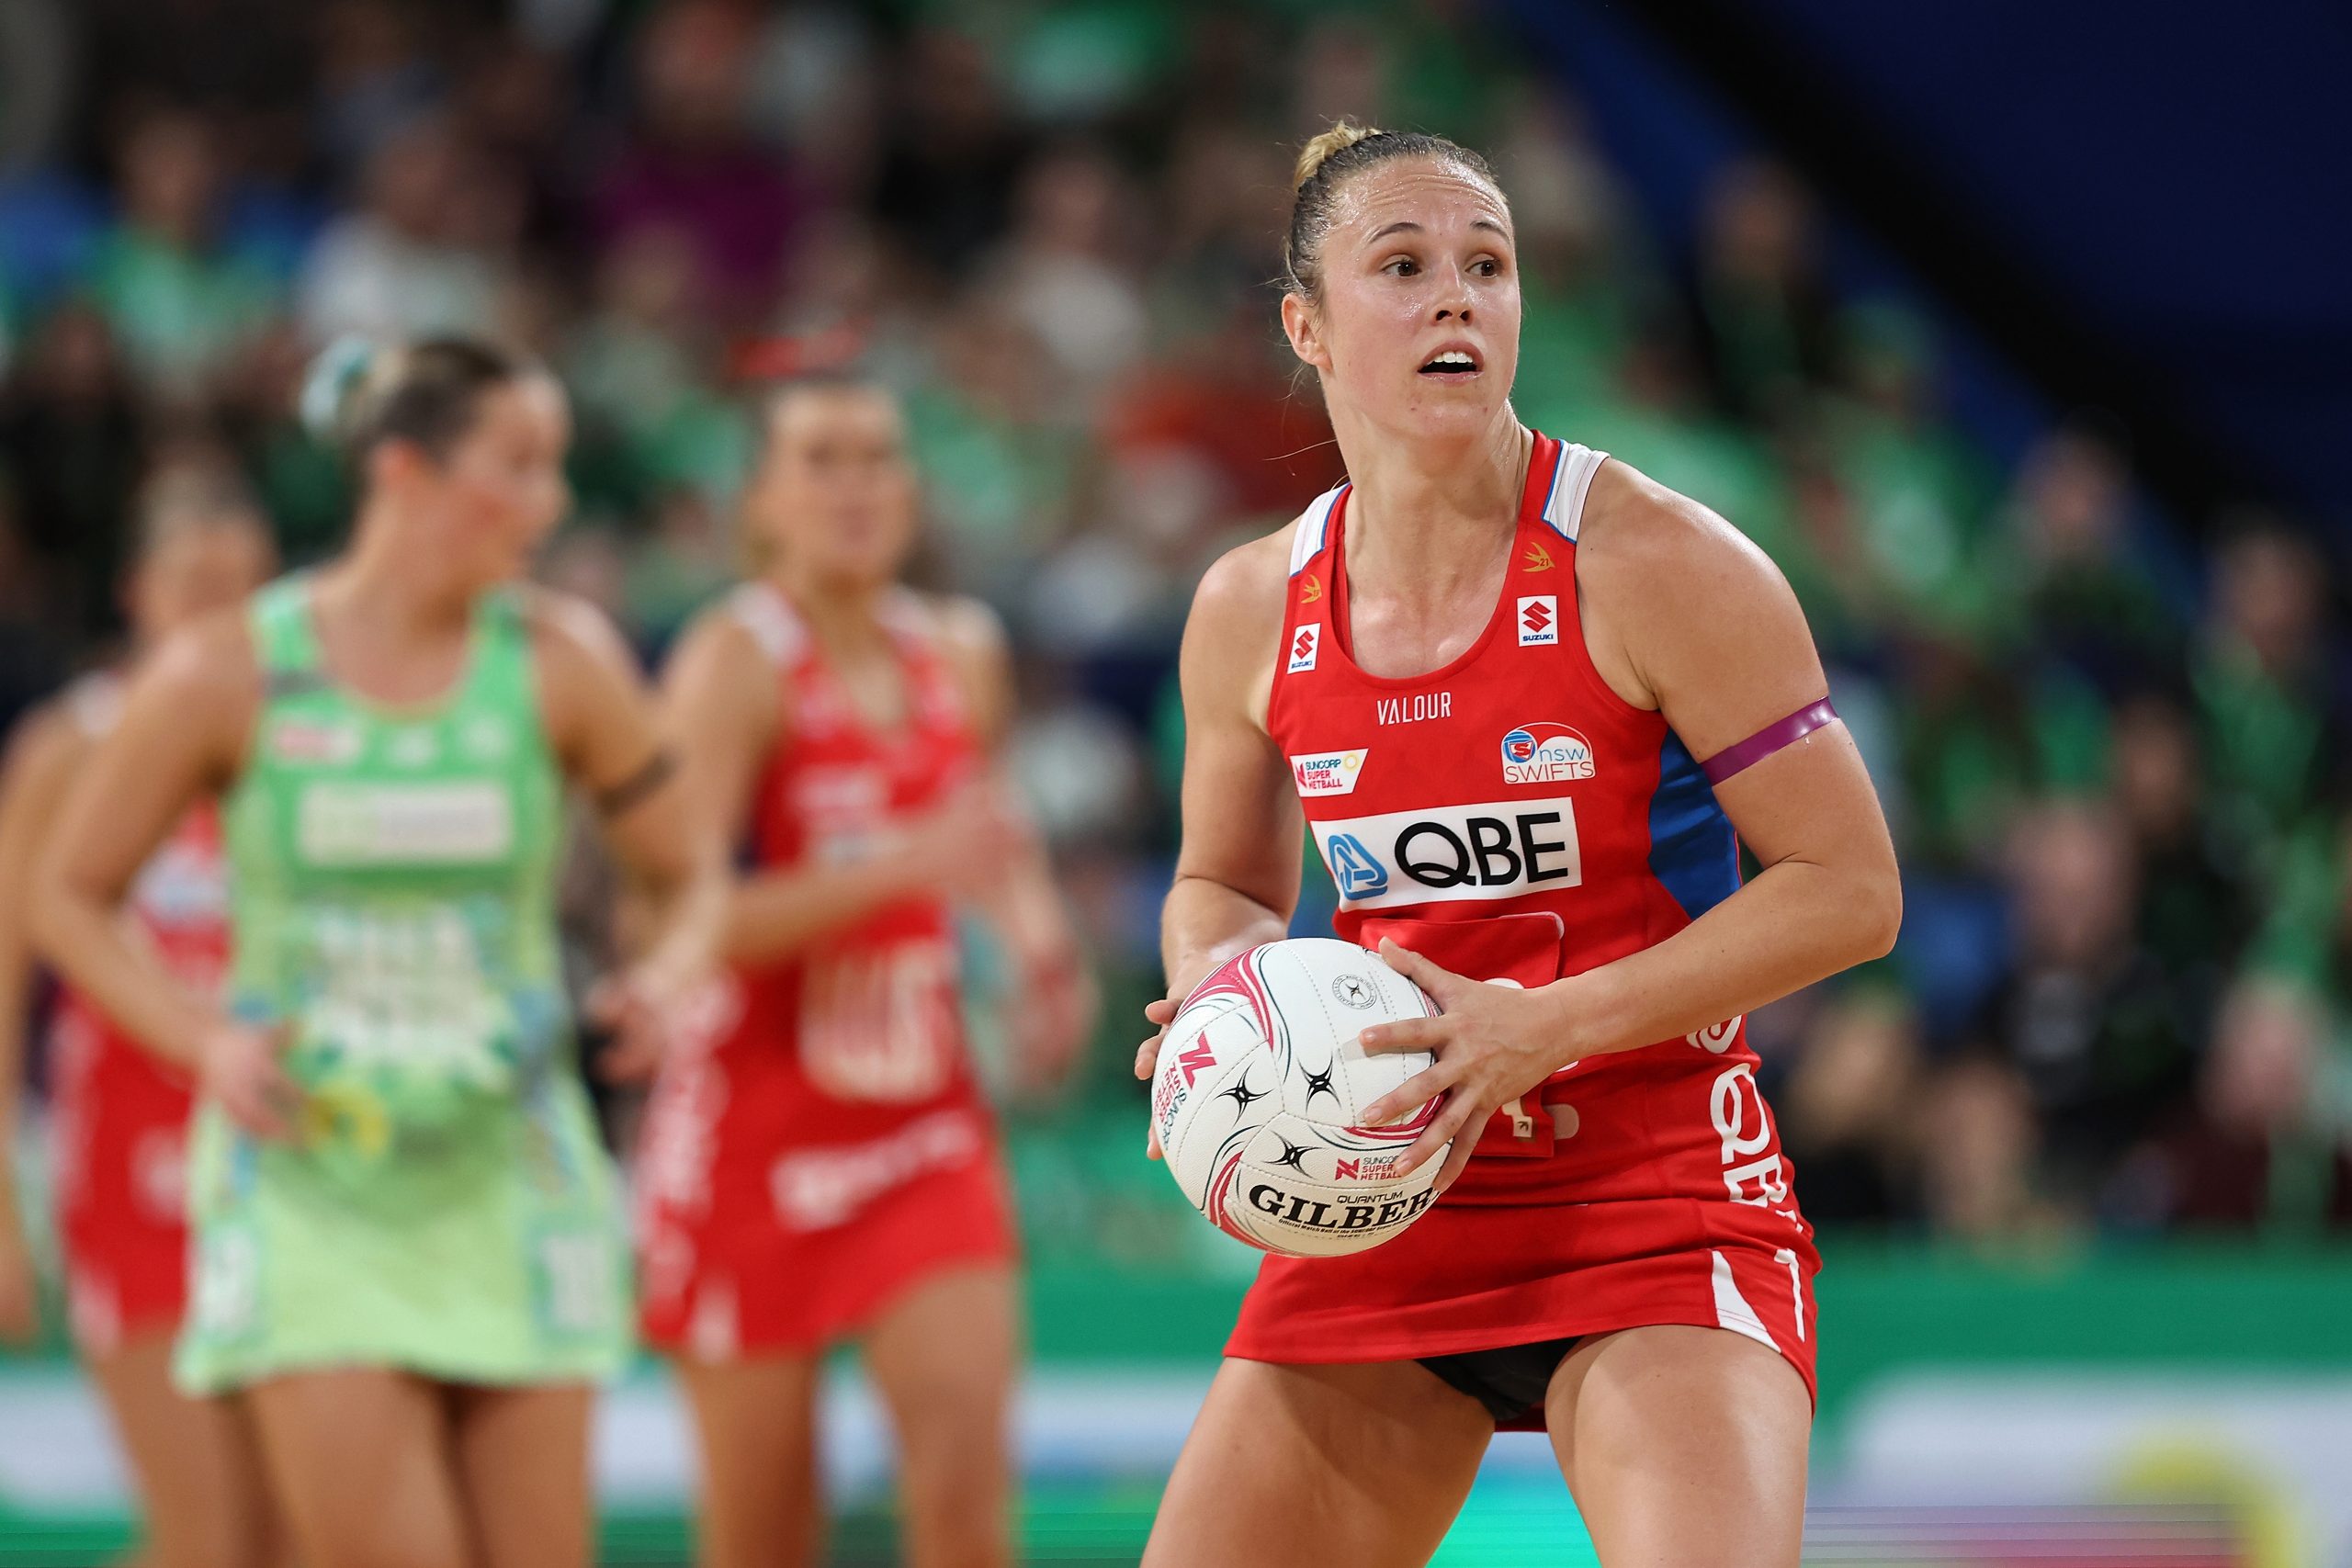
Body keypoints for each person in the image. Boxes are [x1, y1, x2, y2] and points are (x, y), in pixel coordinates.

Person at [1134, 124, 1901, 1568]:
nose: (1457, 301)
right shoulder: (1249, 603)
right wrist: (1218, 998)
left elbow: (1852, 890)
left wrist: (1541, 1028)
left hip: (1652, 1192)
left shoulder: (1660, 561)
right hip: (1383, 1195)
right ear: (1307, 326)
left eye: (1488, 267)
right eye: (1405, 267)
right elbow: (1227, 884)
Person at [30, 337, 726, 1568]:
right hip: (311, 1181)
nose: (551, 503)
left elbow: (690, 875)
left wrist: (664, 980)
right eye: (518, 466)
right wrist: (204, 1040)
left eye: (556, 467)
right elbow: (64, 894)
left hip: (515, 1171)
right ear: (403, 472)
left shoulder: (563, 661)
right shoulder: (226, 669)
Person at [634, 371, 1093, 1568]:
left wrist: (1041, 946)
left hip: (917, 1125)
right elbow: (679, 915)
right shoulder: (732, 659)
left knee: (963, 1500)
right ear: (762, 500)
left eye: (879, 456)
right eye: (822, 459)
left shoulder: (960, 647)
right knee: (764, 1536)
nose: (855, 485)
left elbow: (988, 829)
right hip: (753, 1131)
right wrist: (901, 867)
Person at [0, 464, 280, 1567]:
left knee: (292, 1533)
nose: (213, 605)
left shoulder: (311, 735)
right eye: (189, 581)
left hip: (286, 1169)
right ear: (136, 593)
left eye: (236, 584)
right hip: (133, 1166)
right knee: (206, 1534)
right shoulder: (72, 745)